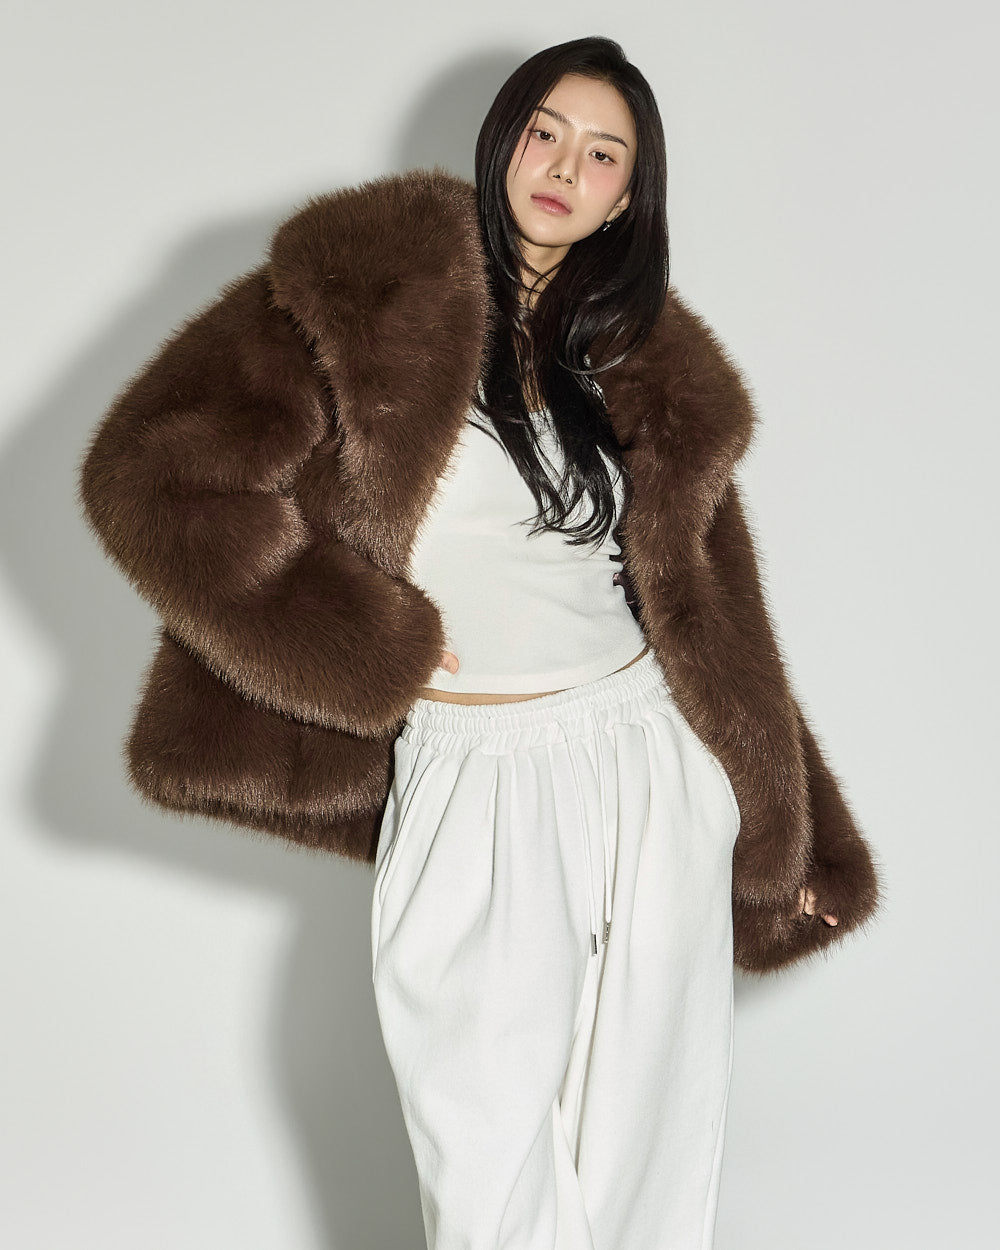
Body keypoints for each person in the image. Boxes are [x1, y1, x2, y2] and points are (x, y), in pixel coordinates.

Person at [78, 35, 883, 1250]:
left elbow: (718, 614)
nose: (564, 167)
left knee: (646, 1154)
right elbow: (151, 476)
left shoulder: (635, 355)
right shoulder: (362, 295)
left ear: (628, 196)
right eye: (545, 132)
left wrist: (800, 819)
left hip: (649, 762)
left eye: (602, 154)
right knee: (486, 1158)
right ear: (503, 137)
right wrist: (355, 638)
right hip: (471, 773)